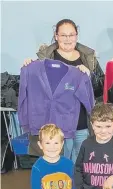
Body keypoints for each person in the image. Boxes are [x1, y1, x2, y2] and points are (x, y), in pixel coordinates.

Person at [23, 19, 104, 163]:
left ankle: (77, 186)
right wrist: (28, 66)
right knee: (58, 162)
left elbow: (100, 89)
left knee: (81, 162)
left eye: (71, 35)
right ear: (56, 36)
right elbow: (33, 89)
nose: (68, 39)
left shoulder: (89, 59)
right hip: (55, 123)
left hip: (82, 122)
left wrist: (89, 77)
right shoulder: (45, 58)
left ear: (77, 36)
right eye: (63, 35)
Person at [30, 124, 78, 189]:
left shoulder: (69, 164)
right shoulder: (37, 168)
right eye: (47, 143)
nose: (52, 147)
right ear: (40, 144)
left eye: (56, 143)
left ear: (62, 144)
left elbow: (76, 188)